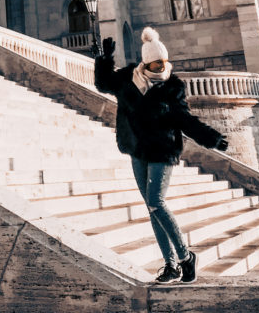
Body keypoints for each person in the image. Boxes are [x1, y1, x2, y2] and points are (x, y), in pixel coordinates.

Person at [95, 26, 228, 284]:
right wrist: (104, 59)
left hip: (162, 150)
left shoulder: (173, 87)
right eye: (156, 64)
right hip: (137, 149)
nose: (161, 69)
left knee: (156, 201)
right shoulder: (127, 78)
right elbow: (103, 84)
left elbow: (185, 120)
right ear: (146, 63)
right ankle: (170, 265)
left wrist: (211, 138)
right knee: (152, 208)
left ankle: (185, 257)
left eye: (164, 63)